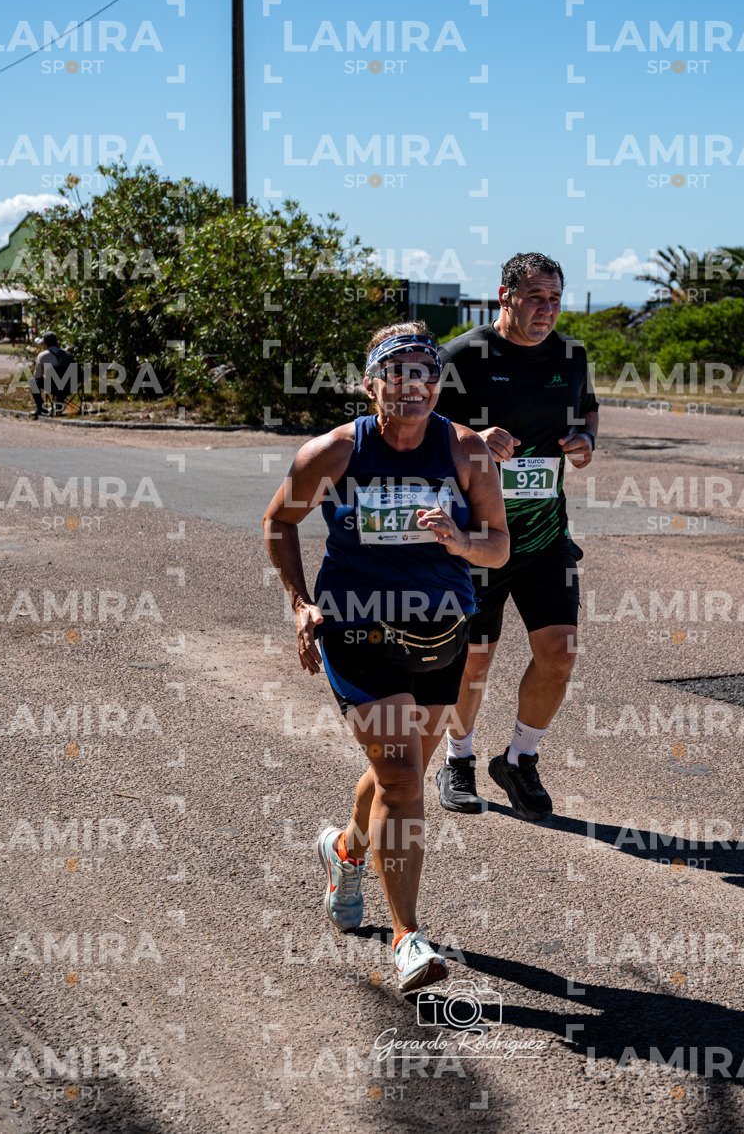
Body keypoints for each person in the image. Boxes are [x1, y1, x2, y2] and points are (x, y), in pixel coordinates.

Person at [263, 321, 508, 993]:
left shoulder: (466, 452)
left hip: (439, 635)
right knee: (402, 781)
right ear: (371, 385)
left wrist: (460, 541)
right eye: (396, 375)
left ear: (438, 385)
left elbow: (498, 547)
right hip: (357, 632)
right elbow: (279, 521)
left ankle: (345, 851)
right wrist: (300, 602)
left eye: (425, 375)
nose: (412, 388)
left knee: (398, 774)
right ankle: (407, 938)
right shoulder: (334, 452)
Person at [433, 252, 599, 821]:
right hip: (476, 538)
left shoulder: (571, 356)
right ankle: (458, 758)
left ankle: (520, 759)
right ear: (504, 297)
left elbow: (588, 411)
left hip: (545, 536)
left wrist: (586, 442)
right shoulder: (462, 356)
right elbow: (420, 429)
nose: (546, 310)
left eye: (555, 299)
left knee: (560, 651)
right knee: (474, 660)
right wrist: (472, 438)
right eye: (534, 298)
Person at [29, 332, 73, 418]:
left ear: (45, 344)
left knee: (33, 381)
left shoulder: (42, 356)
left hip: (53, 387)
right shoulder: (65, 353)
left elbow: (37, 376)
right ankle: (58, 407)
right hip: (69, 387)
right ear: (56, 342)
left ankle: (41, 408)